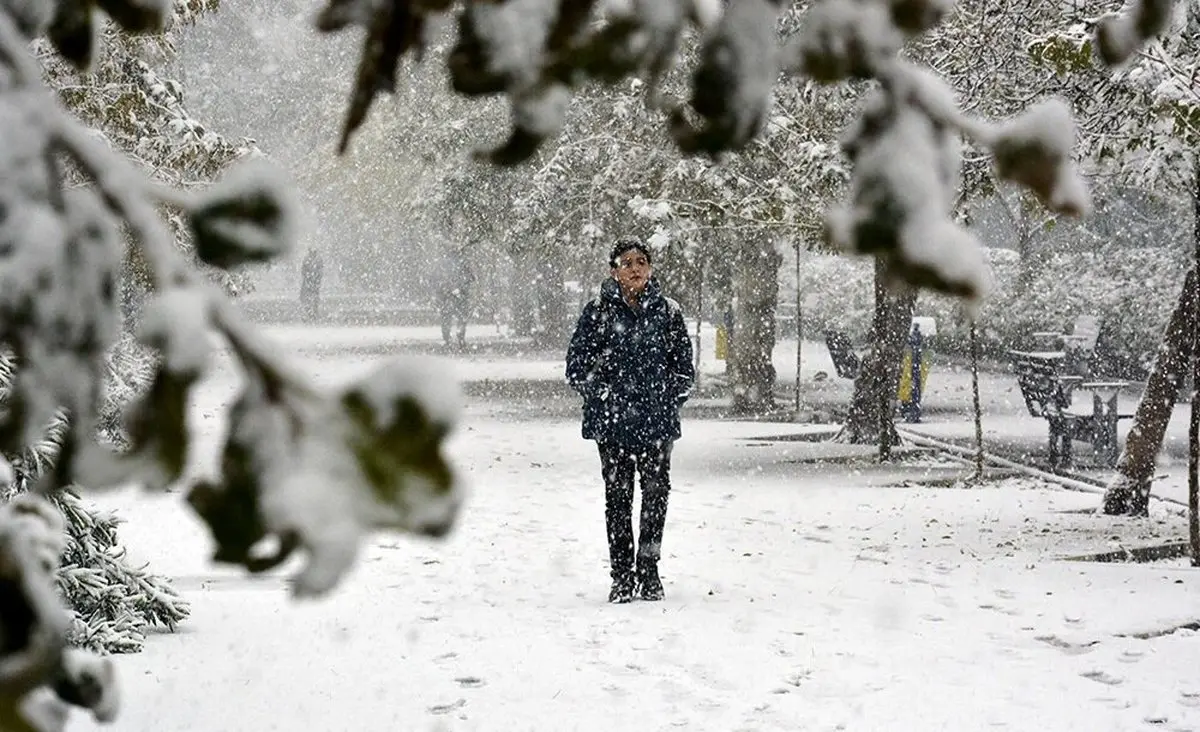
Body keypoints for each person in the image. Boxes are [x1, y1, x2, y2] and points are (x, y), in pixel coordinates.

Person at [565, 237, 695, 604]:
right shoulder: (596, 311)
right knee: (618, 499)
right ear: (614, 270)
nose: (635, 268)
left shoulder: (668, 312)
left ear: (650, 268)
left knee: (656, 497)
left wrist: (668, 397)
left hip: (656, 422)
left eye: (641, 261)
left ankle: (649, 570)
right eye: (627, 262)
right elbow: (576, 367)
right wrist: (603, 395)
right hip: (613, 423)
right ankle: (622, 575)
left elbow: (684, 369)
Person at [438, 248, 473, 349]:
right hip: (461, 295)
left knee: (446, 318)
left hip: (447, 295)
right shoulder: (464, 264)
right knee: (461, 318)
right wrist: (462, 288)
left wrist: (445, 290)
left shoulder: (443, 265)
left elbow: (437, 279)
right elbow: (470, 278)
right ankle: (460, 338)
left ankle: (447, 339)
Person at [299, 246, 324, 323]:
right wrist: (308, 277)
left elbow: (320, 271)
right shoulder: (307, 259)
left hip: (313, 282)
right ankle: (310, 313)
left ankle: (313, 313)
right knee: (308, 298)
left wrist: (316, 278)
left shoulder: (318, 260)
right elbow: (303, 270)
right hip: (309, 281)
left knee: (313, 298)